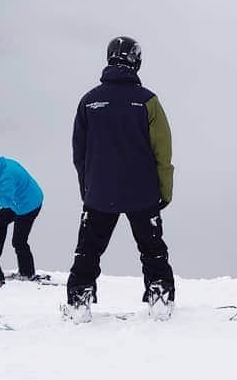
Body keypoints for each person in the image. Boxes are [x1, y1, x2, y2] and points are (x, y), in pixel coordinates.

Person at [64, 36, 175, 322]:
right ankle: (160, 299)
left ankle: (78, 303)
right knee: (153, 250)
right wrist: (165, 190)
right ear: (136, 61)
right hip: (143, 192)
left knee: (88, 251)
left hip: (100, 192)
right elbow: (162, 151)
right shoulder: (148, 101)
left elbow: (80, 154)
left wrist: (87, 190)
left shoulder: (89, 101)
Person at [0, 156, 44, 285]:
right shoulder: (0, 166)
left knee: (19, 241)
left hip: (29, 205)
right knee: (0, 221)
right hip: (18, 200)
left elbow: (4, 201)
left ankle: (27, 273)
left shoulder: (6, 178)